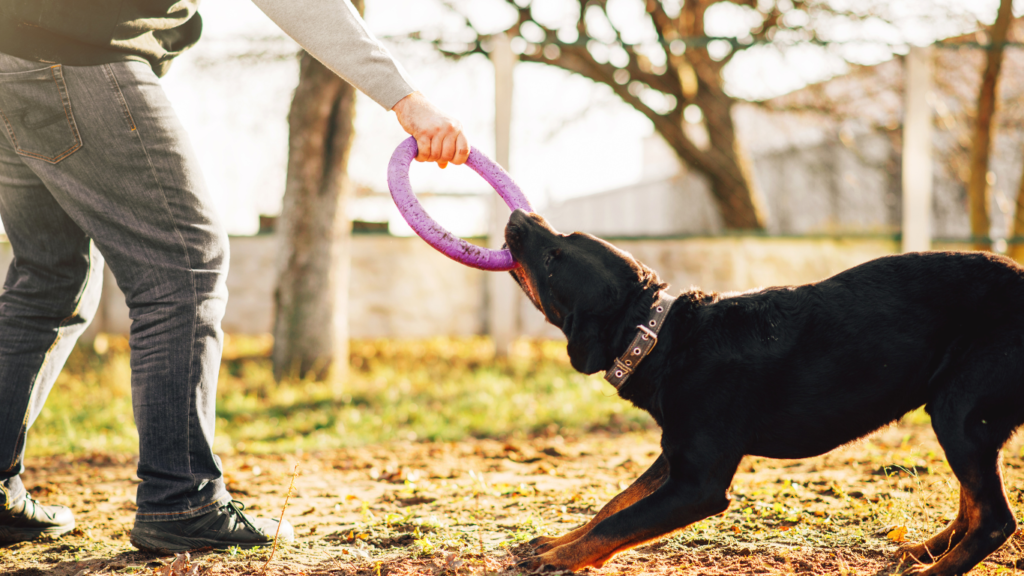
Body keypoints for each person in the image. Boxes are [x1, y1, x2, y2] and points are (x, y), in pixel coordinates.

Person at [0, 0, 469, 553]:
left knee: (49, 276)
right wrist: (404, 97)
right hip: (77, 59)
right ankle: (182, 501)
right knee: (185, 268)